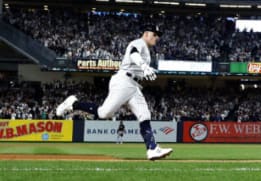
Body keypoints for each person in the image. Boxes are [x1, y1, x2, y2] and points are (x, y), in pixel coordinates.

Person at [55, 26, 173, 161]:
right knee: (104, 113)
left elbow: (136, 62)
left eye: (158, 35)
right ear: (146, 34)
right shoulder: (139, 43)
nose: (157, 37)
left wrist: (145, 68)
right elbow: (133, 53)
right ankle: (74, 104)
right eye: (155, 34)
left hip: (134, 85)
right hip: (124, 81)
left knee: (144, 114)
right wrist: (144, 66)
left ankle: (152, 148)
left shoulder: (146, 49)